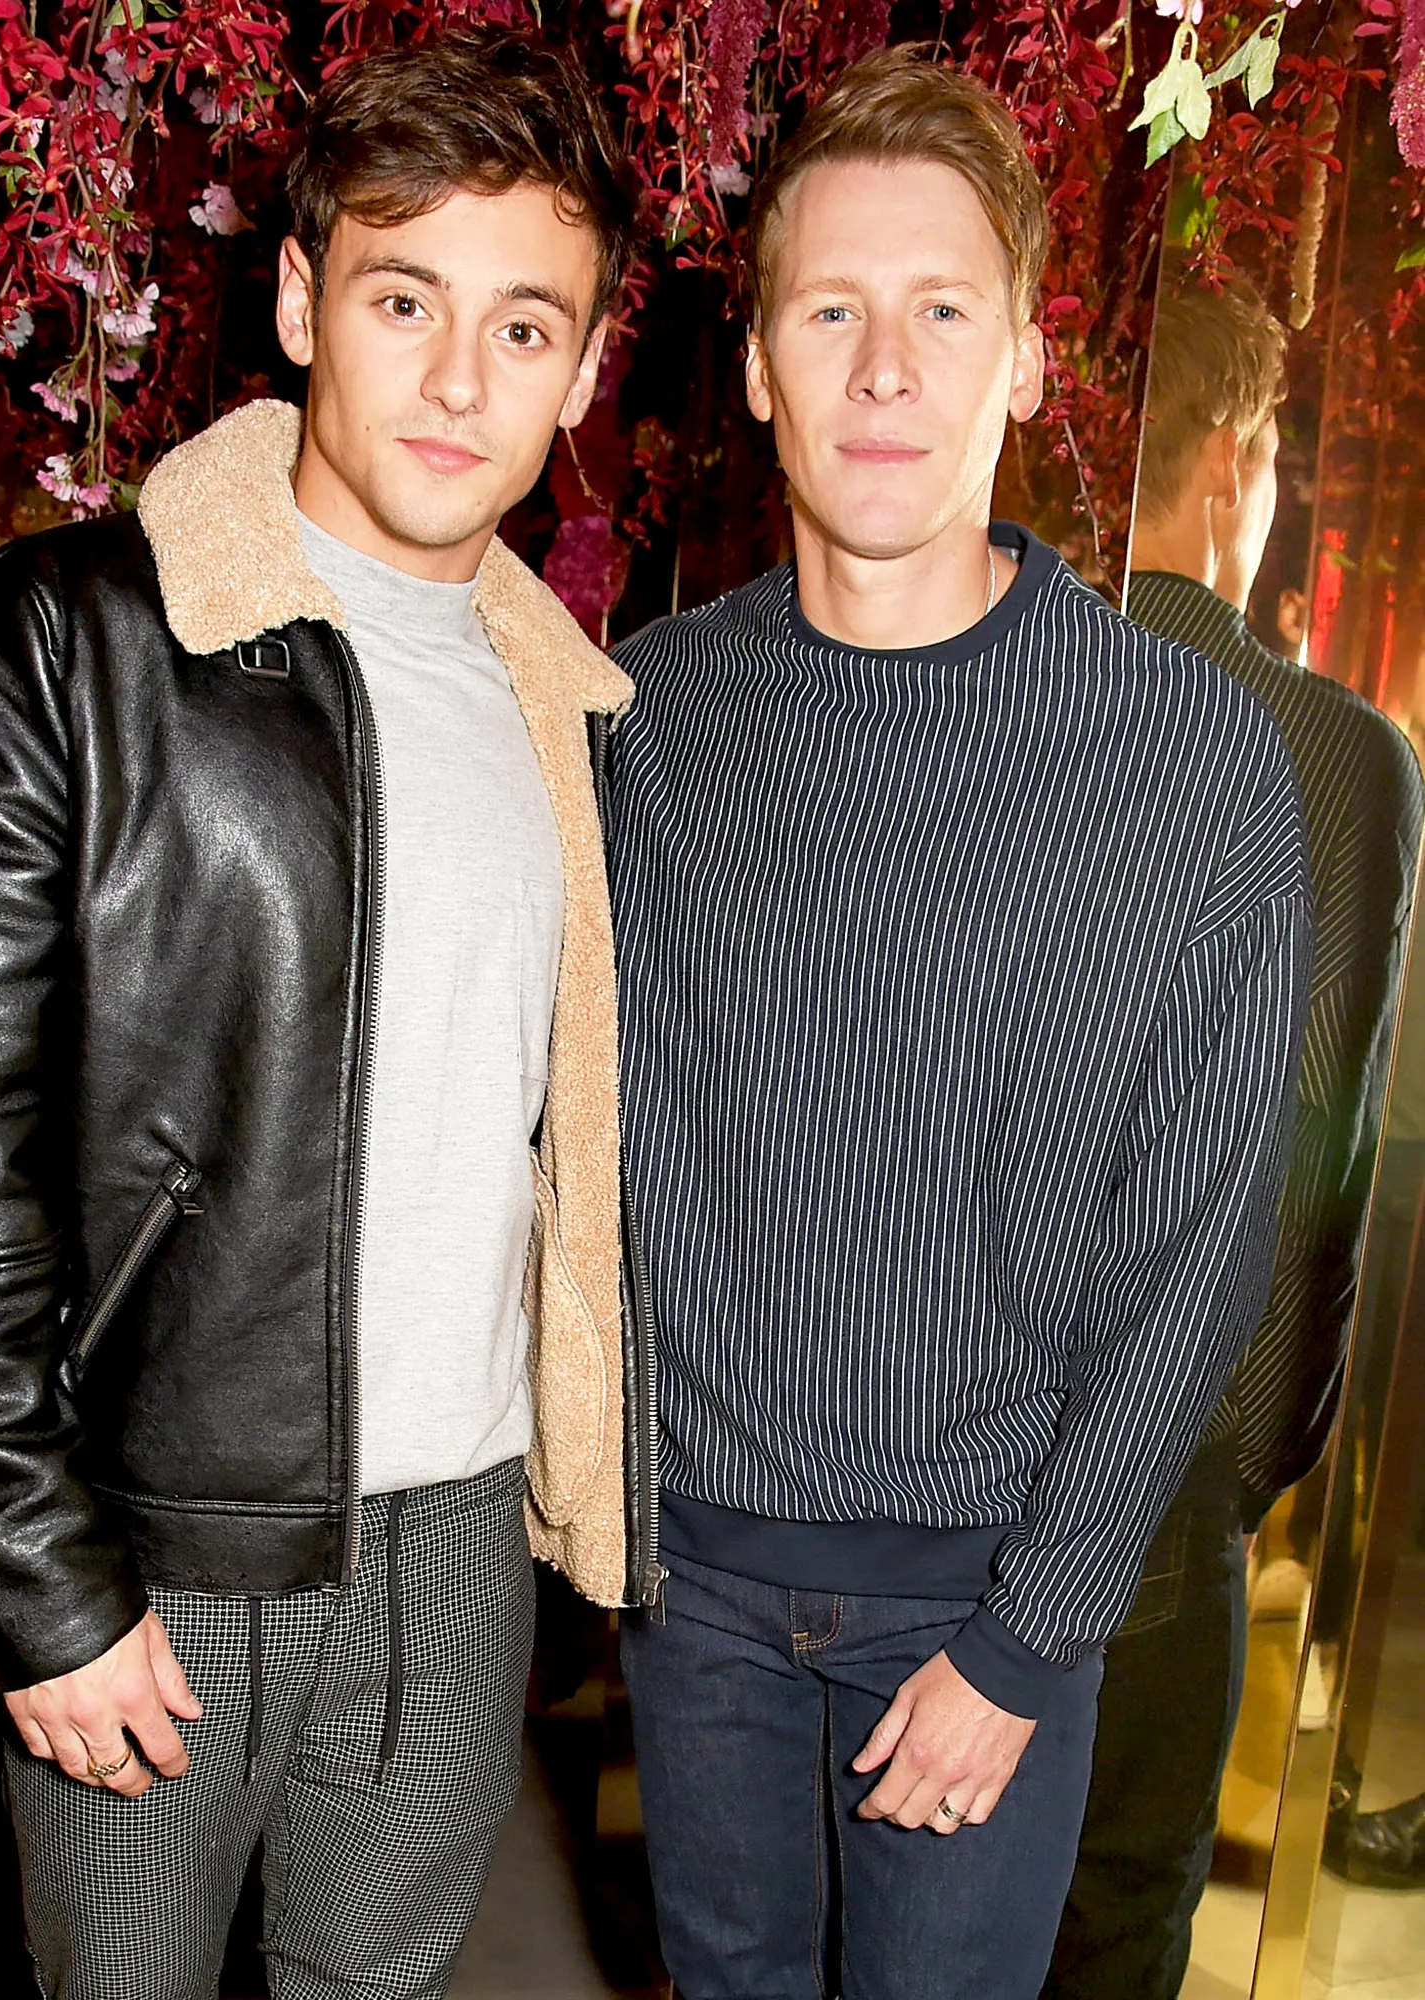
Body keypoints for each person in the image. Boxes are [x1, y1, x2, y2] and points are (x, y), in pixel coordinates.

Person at [0, 29, 651, 2000]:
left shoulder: (588, 716)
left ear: (589, 363)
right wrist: (41, 1585)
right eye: (406, 298)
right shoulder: (61, 644)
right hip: (157, 1534)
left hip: (462, 1546)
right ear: (300, 296)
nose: (464, 380)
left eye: (525, 325)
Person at [604, 49, 1312, 2000]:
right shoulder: (640, 724)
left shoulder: (1186, 764)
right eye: (831, 310)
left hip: (988, 1583)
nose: (885, 367)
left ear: (1025, 363)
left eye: (942, 311)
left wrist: (1026, 1637)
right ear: (758, 366)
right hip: (698, 1583)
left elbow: (1205, 1248)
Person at [1042, 282, 1420, 1974]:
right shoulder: (1339, 755)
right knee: (1116, 1904)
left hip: (915, 1443)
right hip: (1169, 1455)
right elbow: (1315, 1170)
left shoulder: (986, 682)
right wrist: (1246, 1470)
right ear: (1229, 459)